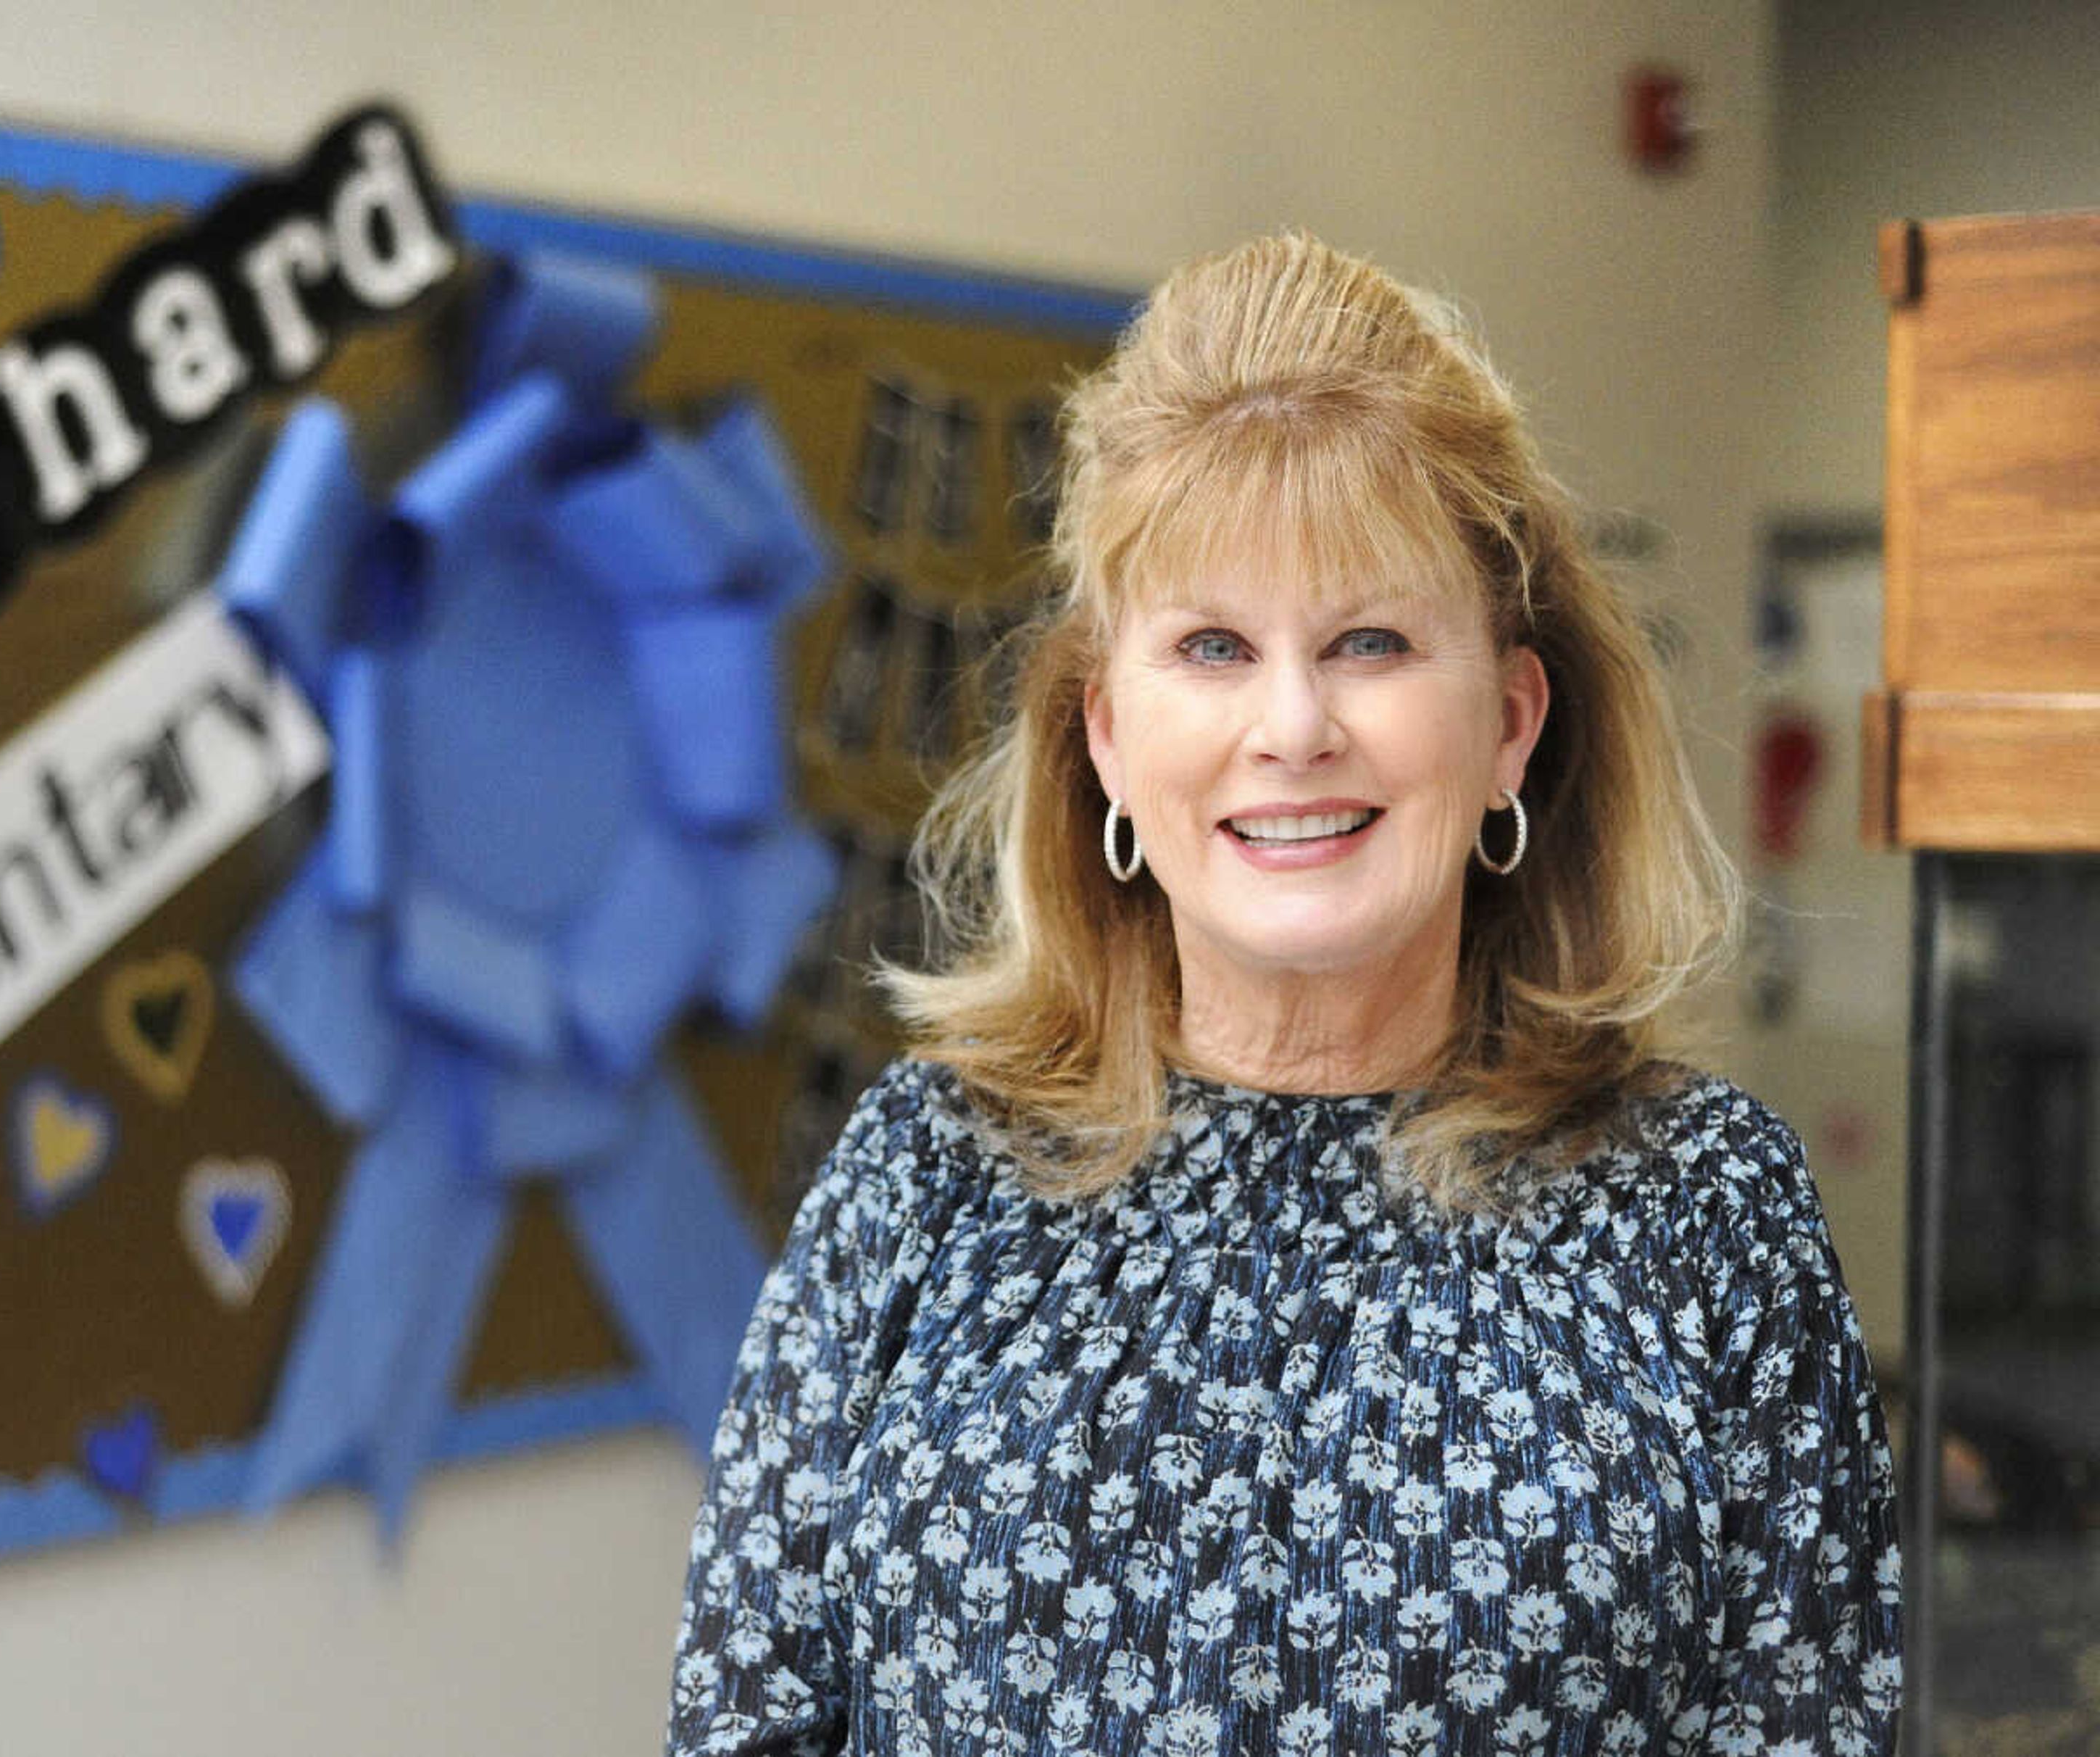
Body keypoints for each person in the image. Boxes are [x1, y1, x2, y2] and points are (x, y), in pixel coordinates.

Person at [664, 235, 1901, 1756]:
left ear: (1512, 721)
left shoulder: (1709, 1211)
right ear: (1109, 734)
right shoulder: (923, 1175)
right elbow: (746, 1727)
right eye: (1214, 648)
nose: (1293, 725)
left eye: (1369, 641)